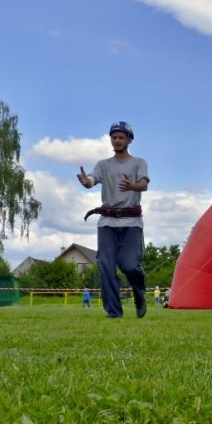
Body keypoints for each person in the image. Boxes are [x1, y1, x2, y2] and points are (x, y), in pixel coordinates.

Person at [77, 120, 150, 319]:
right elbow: (92, 180)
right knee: (106, 266)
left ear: (129, 140)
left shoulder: (139, 163)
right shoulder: (103, 165)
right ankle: (114, 313)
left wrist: (133, 186)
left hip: (131, 223)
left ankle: (139, 291)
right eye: (114, 137)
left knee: (129, 265)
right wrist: (86, 181)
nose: (117, 140)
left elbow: (144, 184)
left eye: (121, 137)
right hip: (107, 223)